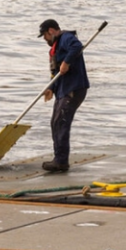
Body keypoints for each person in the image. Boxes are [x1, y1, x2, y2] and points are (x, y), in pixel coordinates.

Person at [37, 19, 90, 172]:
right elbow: (55, 72)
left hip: (73, 88)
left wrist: (66, 62)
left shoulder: (66, 38)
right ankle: (58, 158)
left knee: (61, 122)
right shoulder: (54, 48)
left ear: (51, 31)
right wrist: (51, 88)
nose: (45, 39)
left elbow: (77, 46)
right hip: (62, 90)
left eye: (45, 36)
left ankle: (61, 161)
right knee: (55, 122)